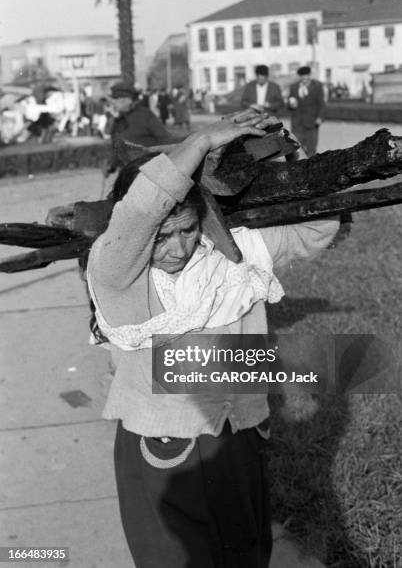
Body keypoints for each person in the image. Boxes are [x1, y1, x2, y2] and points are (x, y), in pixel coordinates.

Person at [86, 112, 339, 568]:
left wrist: (288, 151)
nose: (179, 248)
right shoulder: (117, 278)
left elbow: (317, 228)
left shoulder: (233, 258)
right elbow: (140, 212)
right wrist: (199, 140)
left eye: (187, 230)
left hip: (235, 439)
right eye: (162, 238)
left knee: (246, 554)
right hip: (165, 450)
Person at [105, 80, 176, 175]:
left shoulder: (145, 115)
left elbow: (165, 139)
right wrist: (111, 164)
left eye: (117, 100)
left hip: (148, 171)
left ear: (128, 99)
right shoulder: (118, 119)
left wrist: (163, 162)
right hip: (127, 172)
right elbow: (116, 145)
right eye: (113, 100)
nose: (114, 104)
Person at [288, 66, 325, 157]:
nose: (304, 79)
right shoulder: (294, 87)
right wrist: (291, 105)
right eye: (302, 77)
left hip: (312, 124)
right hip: (297, 125)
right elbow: (289, 105)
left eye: (306, 77)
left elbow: (322, 104)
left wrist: (320, 118)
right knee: (296, 150)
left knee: (311, 151)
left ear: (309, 75)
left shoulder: (317, 86)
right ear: (300, 77)